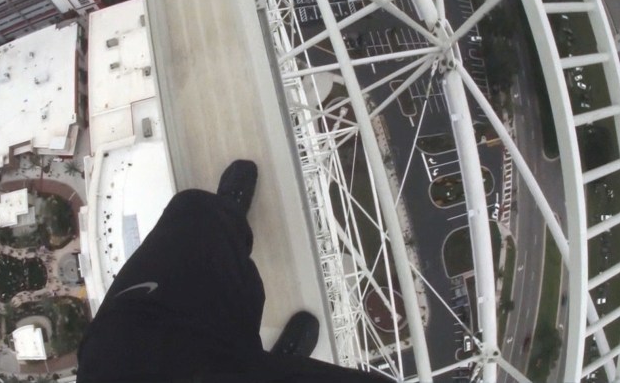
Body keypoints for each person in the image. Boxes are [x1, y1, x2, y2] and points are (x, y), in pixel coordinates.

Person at [77, 160, 392, 382]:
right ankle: (274, 364)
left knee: (191, 246)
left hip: (125, 361)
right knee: (249, 361)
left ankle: (226, 218)